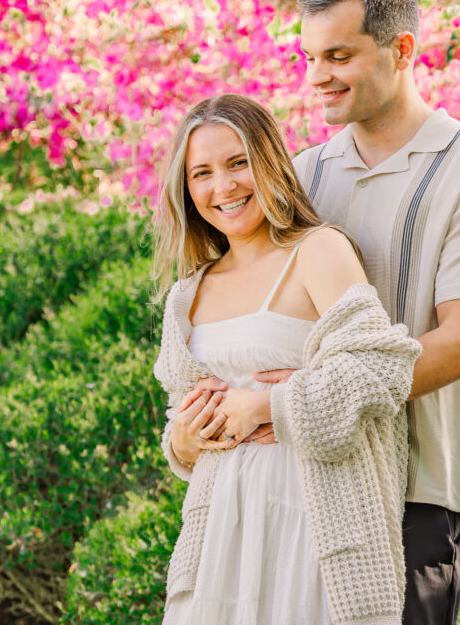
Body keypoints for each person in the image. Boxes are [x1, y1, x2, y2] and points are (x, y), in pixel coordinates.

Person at [253, 0, 460, 623]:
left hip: (416, 493)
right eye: (311, 57)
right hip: (303, 477)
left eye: (339, 55)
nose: (318, 76)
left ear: (403, 50)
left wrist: (304, 397)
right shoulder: (301, 175)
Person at [151, 93, 421, 624]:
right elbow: (182, 418)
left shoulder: (317, 251)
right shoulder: (189, 292)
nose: (222, 187)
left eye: (237, 163)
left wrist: (269, 405)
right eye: (201, 173)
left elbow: (381, 368)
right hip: (220, 535)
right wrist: (181, 442)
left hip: (311, 520)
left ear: (269, 162)